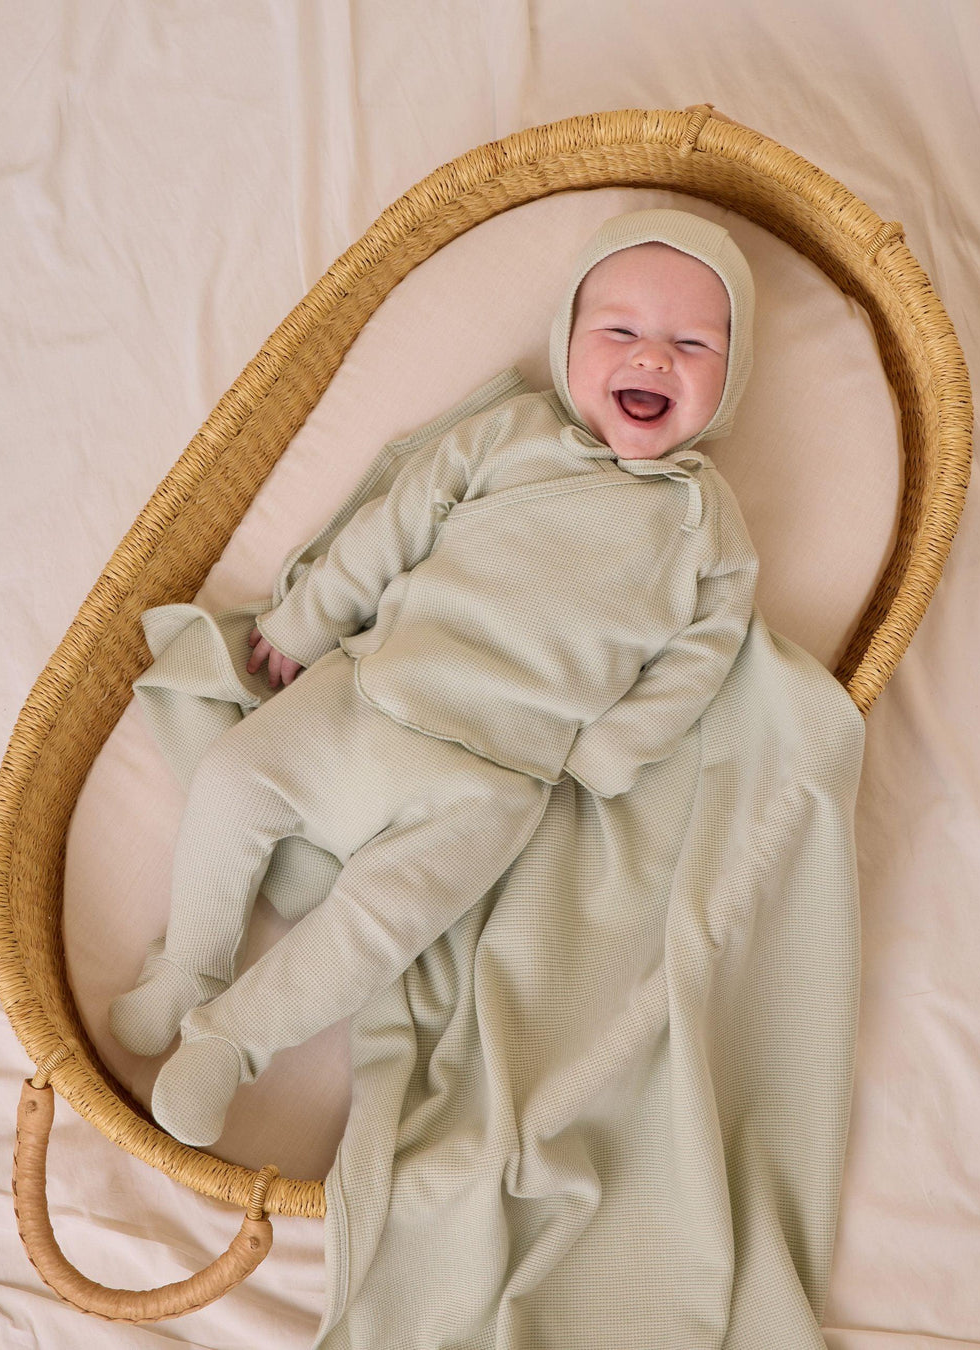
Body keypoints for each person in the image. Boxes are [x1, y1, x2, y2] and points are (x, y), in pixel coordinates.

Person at [109, 207, 760, 1147]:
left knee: (383, 926)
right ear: (567, 343)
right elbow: (396, 518)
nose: (653, 359)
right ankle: (192, 964)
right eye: (621, 331)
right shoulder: (510, 437)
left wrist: (612, 749)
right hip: (373, 689)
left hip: (497, 775)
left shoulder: (706, 524)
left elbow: (707, 650)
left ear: (729, 386)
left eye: (692, 344)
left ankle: (233, 1043)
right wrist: (311, 614)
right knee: (234, 778)